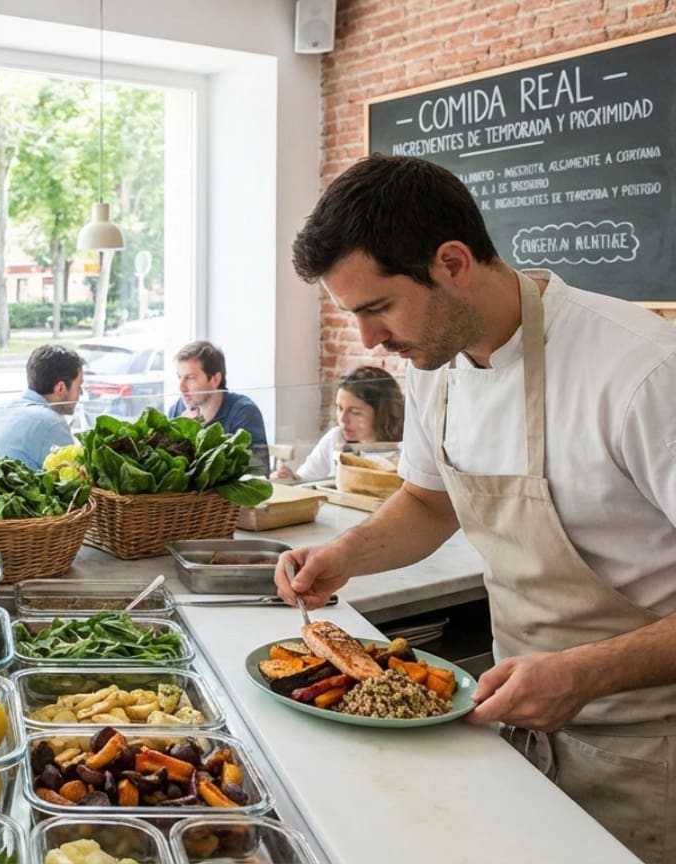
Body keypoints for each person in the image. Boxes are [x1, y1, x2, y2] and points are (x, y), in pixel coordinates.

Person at [280, 153, 676, 864]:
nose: (369, 341)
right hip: (515, 725)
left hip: (650, 750)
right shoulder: (437, 368)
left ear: (454, 263)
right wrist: (348, 555)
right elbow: (430, 505)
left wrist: (583, 673)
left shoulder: (642, 370)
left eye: (377, 308)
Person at [272, 366, 404, 482]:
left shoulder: (405, 449)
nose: (342, 419)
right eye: (340, 408)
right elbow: (307, 479)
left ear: (382, 414)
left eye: (355, 412)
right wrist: (292, 479)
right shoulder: (336, 437)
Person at [0, 344, 82, 469]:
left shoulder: (2, 410)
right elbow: (72, 480)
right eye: (78, 387)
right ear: (60, 388)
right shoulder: (52, 424)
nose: (81, 393)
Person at [167, 341, 270, 473]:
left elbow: (257, 471)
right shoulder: (176, 410)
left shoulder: (244, 412)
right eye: (179, 377)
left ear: (215, 379)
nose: (181, 387)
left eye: (190, 378)